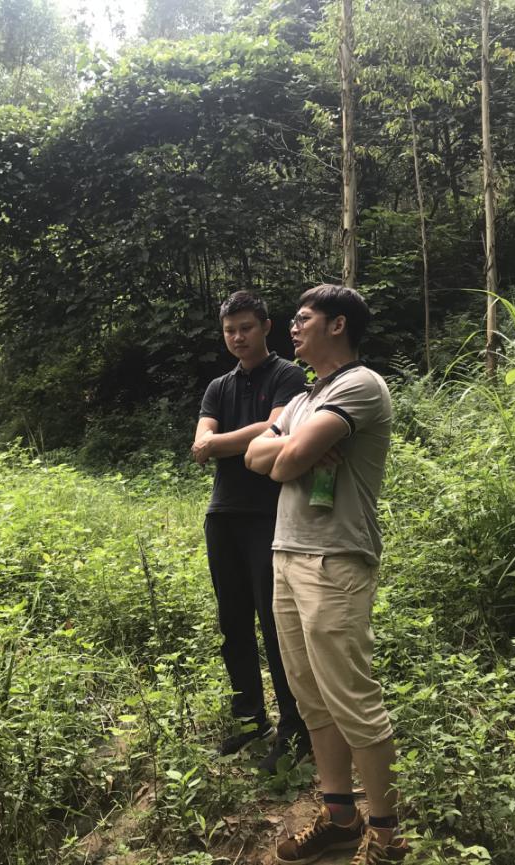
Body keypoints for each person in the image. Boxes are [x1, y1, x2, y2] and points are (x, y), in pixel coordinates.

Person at [245, 284, 409, 865]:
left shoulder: (359, 385)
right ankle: (340, 817)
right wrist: (296, 447)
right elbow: (255, 457)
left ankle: (387, 837)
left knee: (352, 699)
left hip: (334, 560)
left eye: (303, 318)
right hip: (287, 554)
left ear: (337, 325)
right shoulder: (303, 399)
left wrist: (289, 451)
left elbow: (281, 461)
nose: (292, 327)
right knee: (312, 699)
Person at [192, 290, 312, 773]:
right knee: (233, 622)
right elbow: (201, 442)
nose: (237, 337)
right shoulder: (218, 386)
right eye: (229, 330)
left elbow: (275, 431)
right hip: (223, 514)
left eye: (245, 327)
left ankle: (294, 729)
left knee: (276, 624)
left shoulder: (289, 376)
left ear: (266, 326)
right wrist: (235, 438)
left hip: (269, 515)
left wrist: (219, 441)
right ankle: (249, 719)